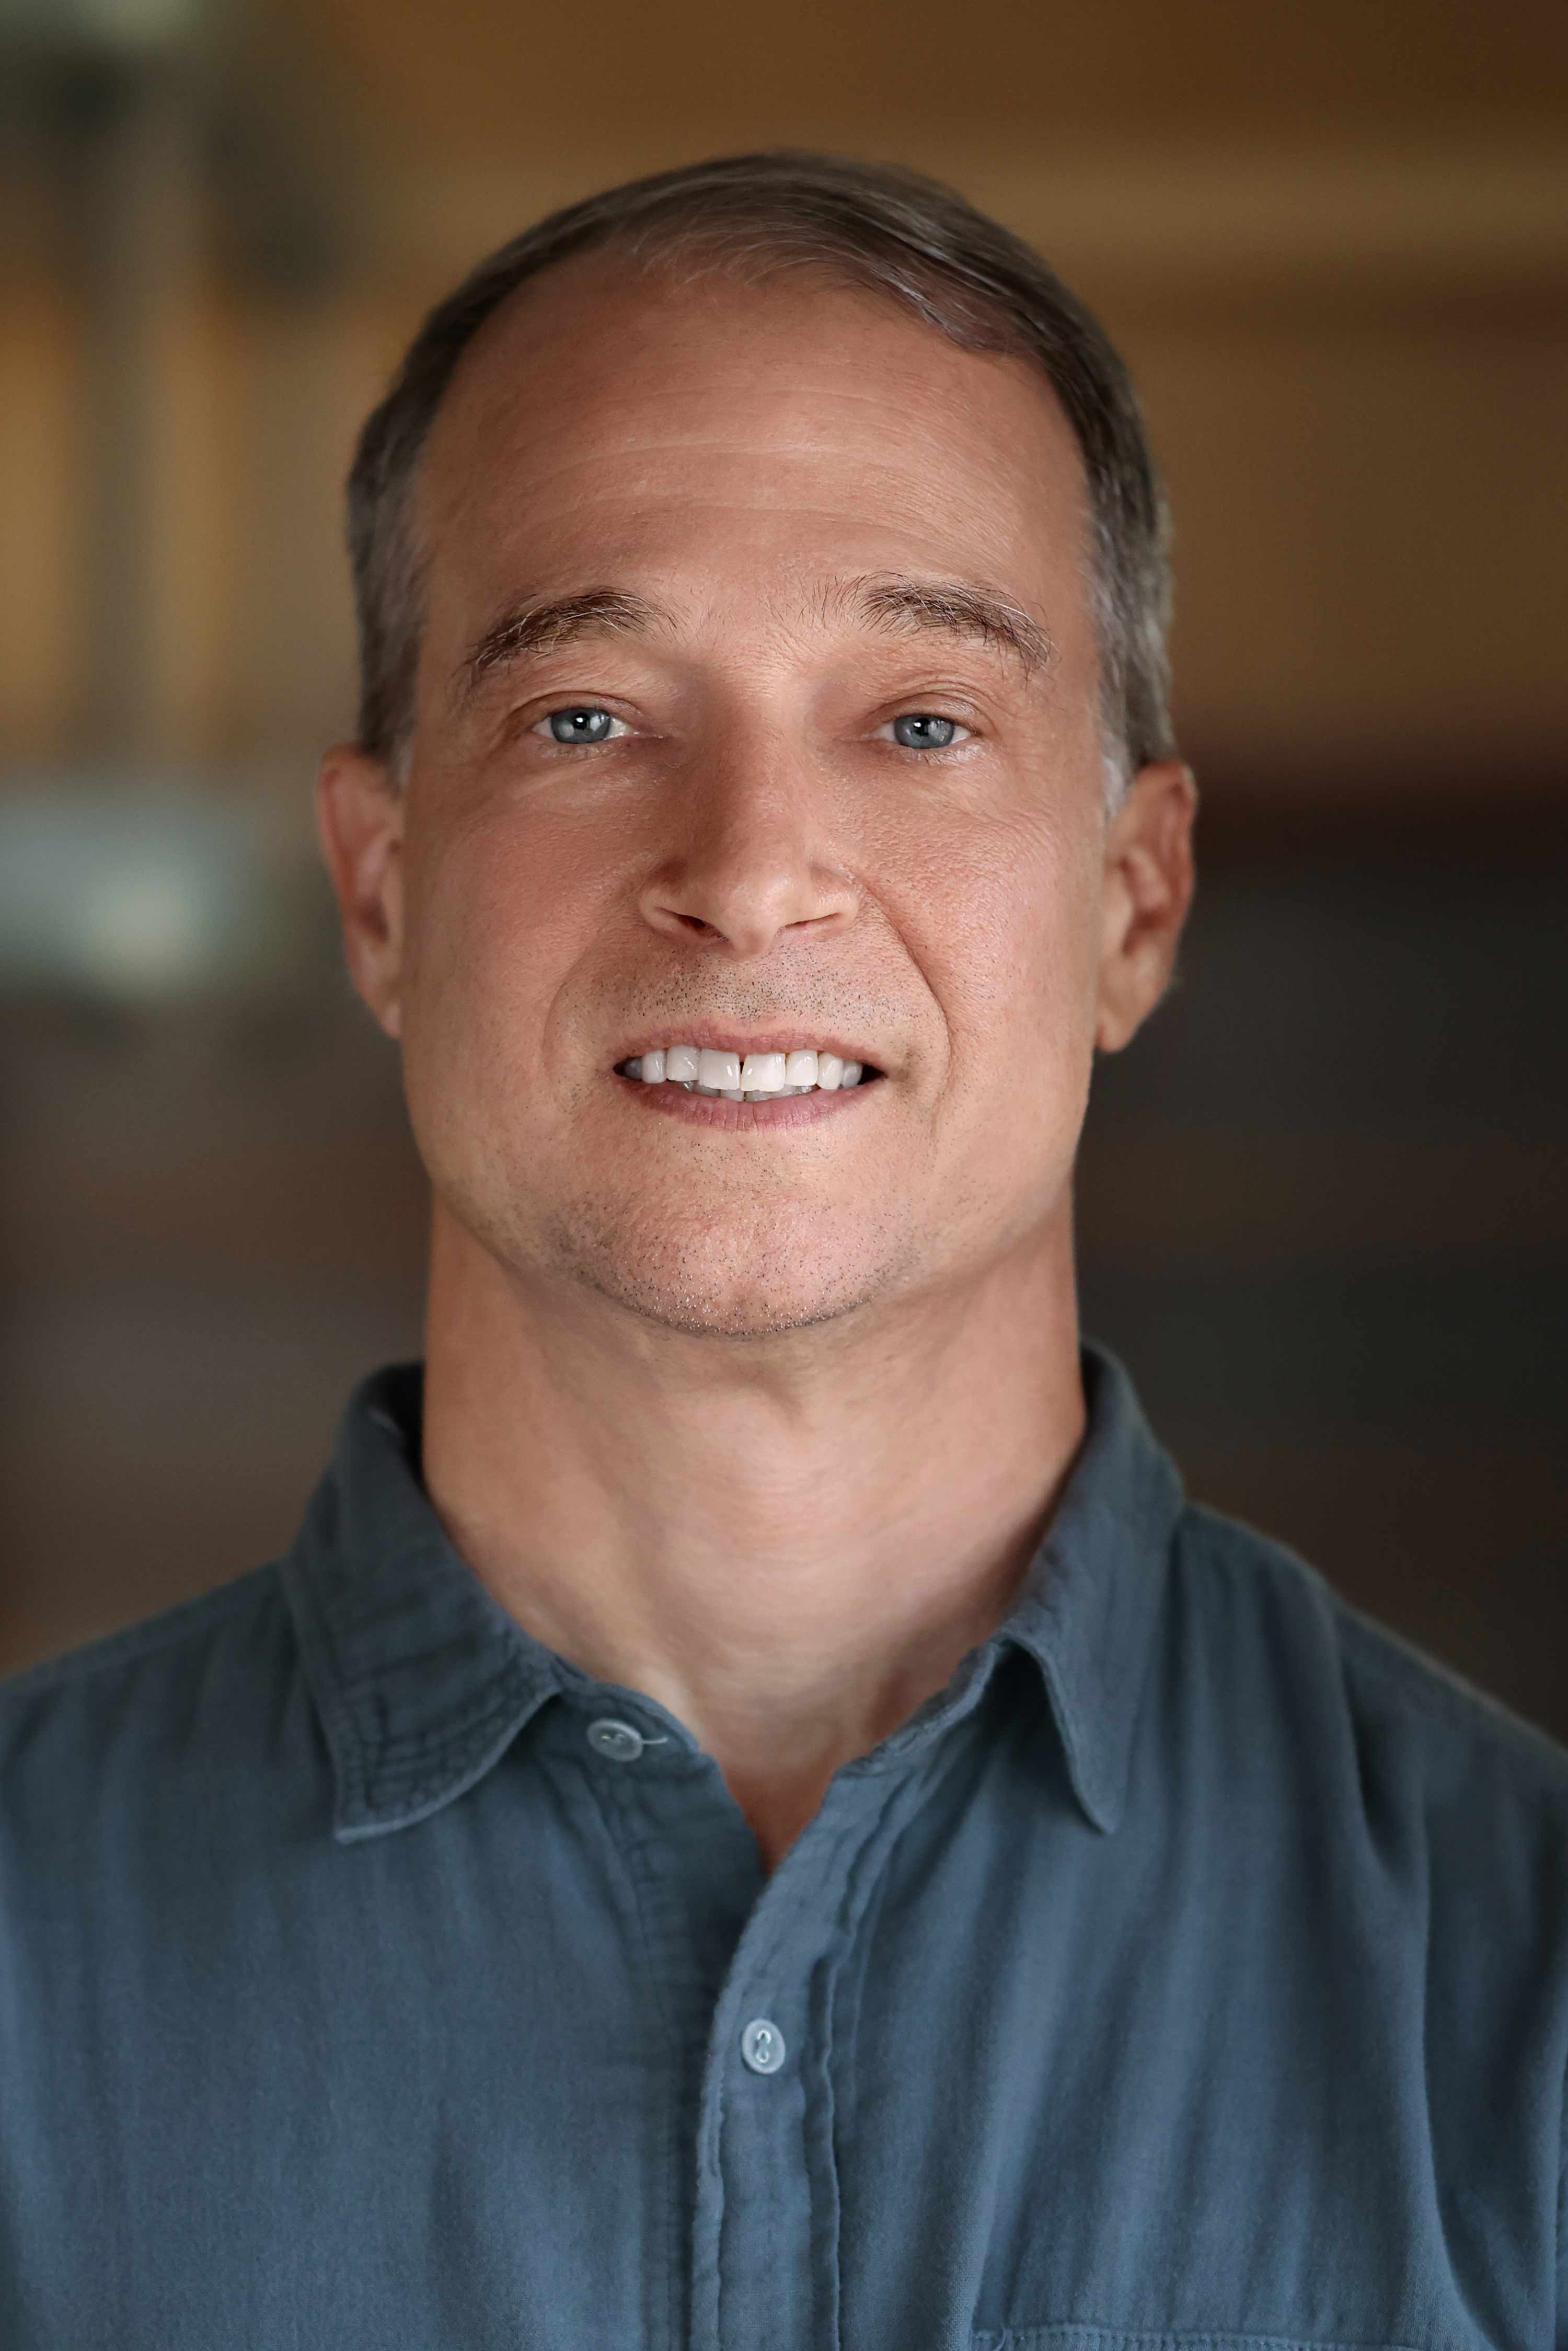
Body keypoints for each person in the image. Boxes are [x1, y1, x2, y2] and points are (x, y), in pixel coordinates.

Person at [2, 152, 1564, 2351]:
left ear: (1134, 903)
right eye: (585, 719)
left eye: (920, 723)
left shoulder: (1521, 1979)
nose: (747, 877)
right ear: (378, 892)